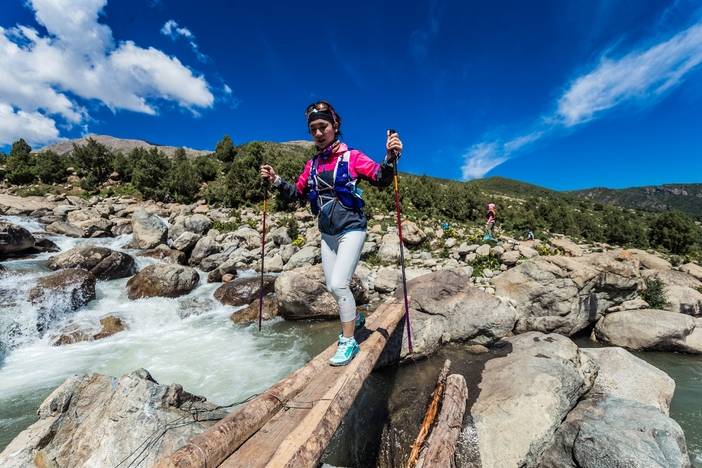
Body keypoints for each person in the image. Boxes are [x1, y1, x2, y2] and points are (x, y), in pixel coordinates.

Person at [260, 100, 403, 366]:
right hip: (327, 234)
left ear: (335, 126)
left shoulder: (352, 157)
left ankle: (349, 341)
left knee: (338, 284)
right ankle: (356, 318)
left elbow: (380, 177)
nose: (317, 133)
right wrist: (276, 180)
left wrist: (390, 158)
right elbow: (297, 194)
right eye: (313, 128)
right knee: (332, 286)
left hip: (352, 229)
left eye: (322, 126)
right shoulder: (312, 165)